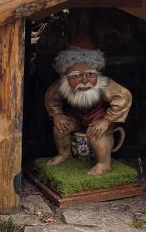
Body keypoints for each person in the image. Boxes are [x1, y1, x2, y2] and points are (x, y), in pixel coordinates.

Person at [44, 36, 132, 175]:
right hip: (76, 117)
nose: (84, 80)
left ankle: (104, 164)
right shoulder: (61, 85)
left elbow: (123, 97)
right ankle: (64, 155)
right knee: (61, 127)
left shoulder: (105, 84)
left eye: (90, 74)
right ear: (66, 75)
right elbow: (51, 98)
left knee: (96, 133)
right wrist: (57, 115)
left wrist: (106, 121)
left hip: (99, 118)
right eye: (76, 75)